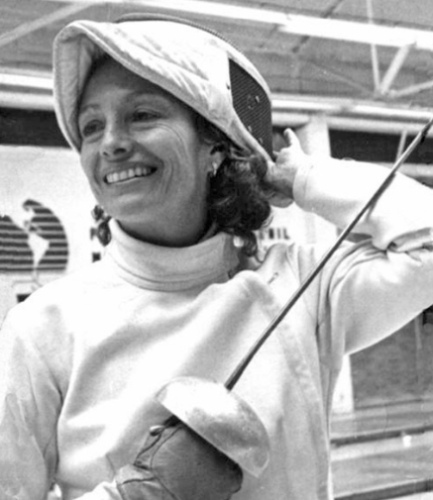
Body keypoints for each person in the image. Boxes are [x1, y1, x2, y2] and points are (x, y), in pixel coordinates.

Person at [1, 12, 433, 500]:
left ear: (214, 145)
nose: (112, 143)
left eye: (142, 115)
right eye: (92, 126)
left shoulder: (302, 285)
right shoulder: (44, 326)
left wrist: (302, 178)